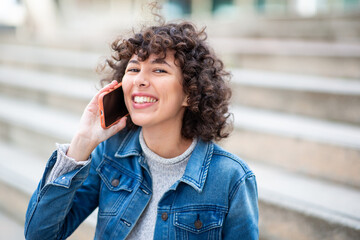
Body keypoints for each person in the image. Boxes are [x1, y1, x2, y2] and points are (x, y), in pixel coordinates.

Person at [24, 20, 259, 240]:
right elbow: (40, 234)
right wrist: (82, 143)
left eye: (159, 70)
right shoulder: (110, 154)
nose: (140, 80)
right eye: (134, 69)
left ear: (190, 92)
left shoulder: (231, 178)